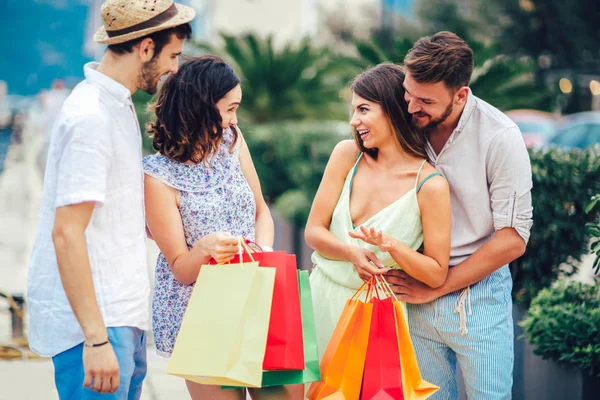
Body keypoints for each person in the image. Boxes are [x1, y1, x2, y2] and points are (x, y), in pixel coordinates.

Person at [26, 1, 195, 398]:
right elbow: (67, 232)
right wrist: (96, 339)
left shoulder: (116, 104)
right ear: (146, 47)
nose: (174, 68)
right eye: (172, 55)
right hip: (97, 324)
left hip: (122, 315)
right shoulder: (91, 118)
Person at [387, 31, 533, 399]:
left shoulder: (501, 137)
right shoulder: (408, 123)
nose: (410, 107)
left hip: (479, 298)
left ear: (461, 94)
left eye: (425, 100)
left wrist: (436, 286)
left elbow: (513, 238)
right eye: (408, 92)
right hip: (414, 289)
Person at [142, 56, 298, 400]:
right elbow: (181, 270)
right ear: (198, 107)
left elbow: (262, 213)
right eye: (228, 109)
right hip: (200, 314)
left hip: (256, 297)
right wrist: (205, 249)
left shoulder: (232, 142)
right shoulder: (157, 178)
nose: (233, 120)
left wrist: (264, 255)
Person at [305, 62, 452, 360]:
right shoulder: (346, 155)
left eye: (363, 109)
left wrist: (394, 247)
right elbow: (314, 231)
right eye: (353, 110)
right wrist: (350, 253)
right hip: (319, 301)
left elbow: (436, 273)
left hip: (376, 318)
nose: (353, 121)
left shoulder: (430, 185)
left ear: (393, 110)